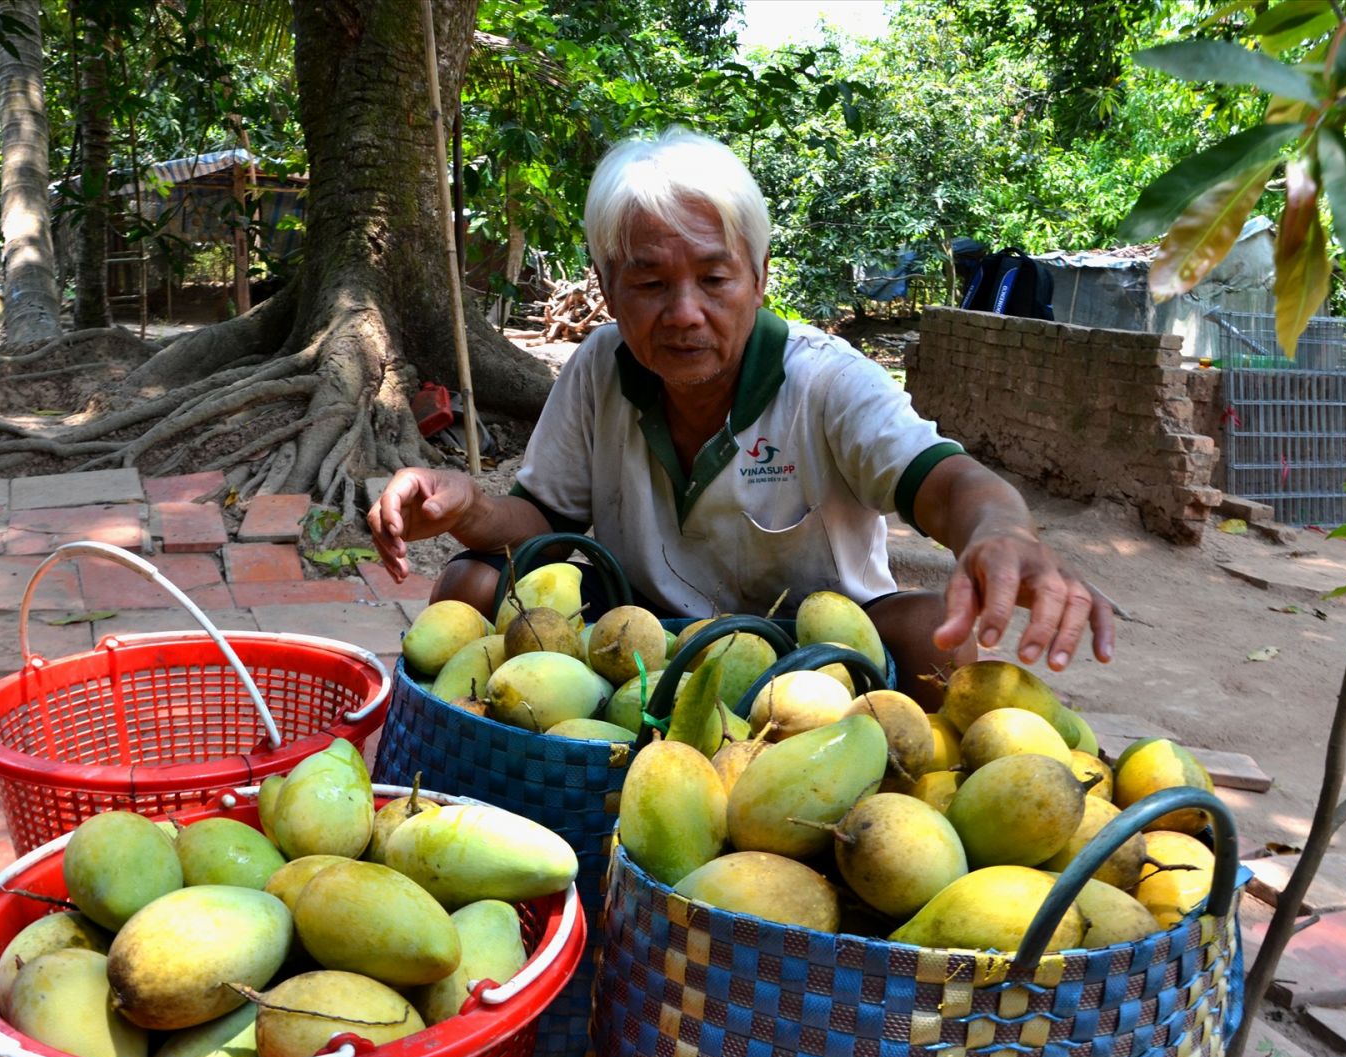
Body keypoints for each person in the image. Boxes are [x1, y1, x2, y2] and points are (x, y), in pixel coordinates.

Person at [369, 129, 1112, 705]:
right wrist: (469, 505)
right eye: (651, 282)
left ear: (759, 280)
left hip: (815, 656)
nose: (684, 313)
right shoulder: (600, 367)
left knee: (937, 640)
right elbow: (542, 521)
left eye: (714, 278)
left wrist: (1001, 531)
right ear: (606, 285)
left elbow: (948, 482)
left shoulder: (824, 381)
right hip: (639, 639)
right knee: (468, 583)